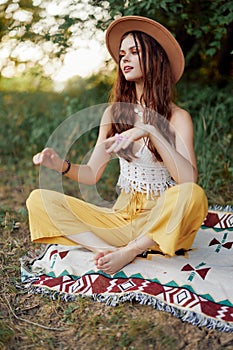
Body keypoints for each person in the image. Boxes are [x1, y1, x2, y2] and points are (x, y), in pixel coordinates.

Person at [26, 16, 208, 275]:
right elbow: (91, 175)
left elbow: (188, 179)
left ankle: (131, 251)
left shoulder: (178, 117)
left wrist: (150, 130)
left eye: (134, 52)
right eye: (122, 54)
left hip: (161, 225)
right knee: (38, 199)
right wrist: (60, 165)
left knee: (193, 195)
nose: (124, 59)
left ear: (155, 59)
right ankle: (106, 251)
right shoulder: (114, 114)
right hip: (120, 219)